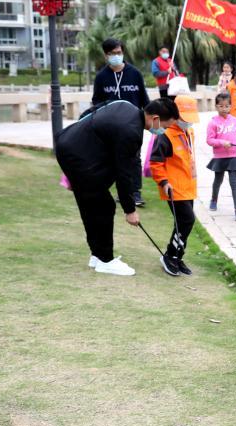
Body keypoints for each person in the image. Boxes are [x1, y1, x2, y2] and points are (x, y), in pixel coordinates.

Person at [55, 98, 174, 276]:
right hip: (77, 154)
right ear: (155, 118)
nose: (164, 130)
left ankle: (97, 255)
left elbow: (88, 114)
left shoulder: (126, 106)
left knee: (92, 202)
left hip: (70, 143)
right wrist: (130, 210)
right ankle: (105, 260)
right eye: (166, 126)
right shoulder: (130, 131)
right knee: (103, 205)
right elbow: (123, 173)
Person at [92, 38, 150, 207]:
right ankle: (120, 191)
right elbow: (96, 102)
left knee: (134, 158)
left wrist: (152, 120)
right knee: (113, 159)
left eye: (118, 53)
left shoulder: (135, 74)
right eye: (112, 54)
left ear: (123, 52)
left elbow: (144, 100)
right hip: (110, 126)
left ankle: (136, 193)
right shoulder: (101, 77)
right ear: (106, 55)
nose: (116, 56)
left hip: (133, 125)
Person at [149, 96, 200, 277]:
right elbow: (155, 162)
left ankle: (177, 256)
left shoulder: (188, 132)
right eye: (184, 118)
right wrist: (163, 182)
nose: (188, 122)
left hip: (188, 186)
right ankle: (170, 255)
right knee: (187, 220)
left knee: (183, 224)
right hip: (173, 188)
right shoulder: (166, 134)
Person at [206, 93, 236, 220]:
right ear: (216, 106)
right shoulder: (213, 123)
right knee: (217, 181)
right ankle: (214, 200)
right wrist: (222, 142)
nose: (224, 108)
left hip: (233, 156)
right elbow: (209, 140)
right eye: (221, 106)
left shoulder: (234, 120)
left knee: (234, 183)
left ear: (230, 106)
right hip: (219, 157)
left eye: (227, 106)